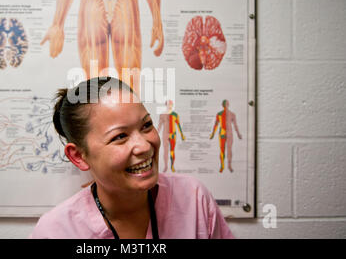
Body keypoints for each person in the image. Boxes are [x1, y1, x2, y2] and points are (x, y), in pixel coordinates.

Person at [30, 77, 233, 239]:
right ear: (79, 156)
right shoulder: (55, 231)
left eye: (146, 126)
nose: (145, 146)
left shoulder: (194, 199)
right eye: (120, 136)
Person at [209, 100, 242, 173]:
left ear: (228, 104)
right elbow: (216, 124)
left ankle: (229, 165)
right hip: (222, 133)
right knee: (222, 150)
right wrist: (212, 134)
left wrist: (238, 134)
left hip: (230, 133)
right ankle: (222, 165)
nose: (226, 104)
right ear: (223, 105)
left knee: (229, 149)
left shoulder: (232, 114)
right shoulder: (219, 114)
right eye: (225, 103)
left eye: (227, 103)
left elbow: (235, 125)